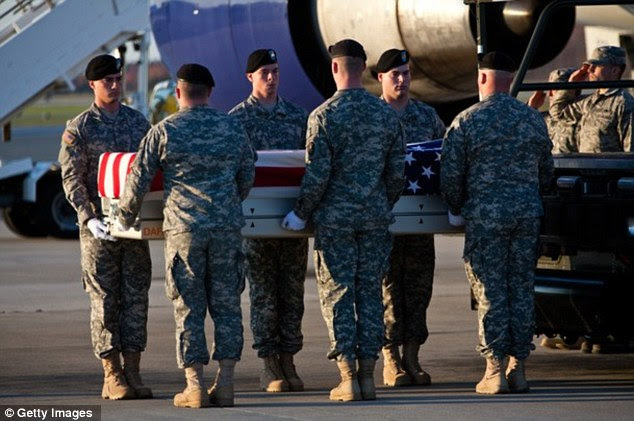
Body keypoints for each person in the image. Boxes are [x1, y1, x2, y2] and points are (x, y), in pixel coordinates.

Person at [117, 63, 255, 408]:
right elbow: (247, 176)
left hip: (184, 231)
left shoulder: (164, 131)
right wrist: (226, 204)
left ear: (178, 92)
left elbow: (137, 179)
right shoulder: (232, 127)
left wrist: (123, 219)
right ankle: (226, 383)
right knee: (227, 307)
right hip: (226, 229)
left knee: (188, 309)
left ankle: (195, 386)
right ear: (210, 92)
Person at [281, 39, 406, 402]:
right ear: (364, 68)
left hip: (335, 221)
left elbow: (317, 175)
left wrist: (301, 212)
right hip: (374, 219)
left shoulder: (323, 116)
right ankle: (368, 375)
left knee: (338, 295)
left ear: (334, 67)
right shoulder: (386, 115)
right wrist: (378, 203)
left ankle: (348, 377)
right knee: (370, 294)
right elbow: (397, 174)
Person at [440, 51, 554, 394]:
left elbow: (450, 177)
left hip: (486, 218)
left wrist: (458, 206)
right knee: (520, 288)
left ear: (481, 78)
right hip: (526, 216)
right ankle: (519, 367)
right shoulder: (532, 119)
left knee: (490, 290)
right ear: (511, 78)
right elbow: (547, 174)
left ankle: (494, 370)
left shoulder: (467, 120)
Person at [58, 54, 153, 400]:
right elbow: (72, 179)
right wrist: (88, 217)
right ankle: (111, 373)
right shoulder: (80, 128)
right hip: (99, 230)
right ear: (92, 85)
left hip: (133, 227)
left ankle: (133, 370)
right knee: (105, 300)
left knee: (136, 298)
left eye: (117, 79)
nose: (114, 85)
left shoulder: (137, 123)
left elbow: (150, 170)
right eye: (107, 81)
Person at [229, 49, 309, 393]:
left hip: (292, 222)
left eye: (275, 71)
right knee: (263, 295)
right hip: (255, 227)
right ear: (250, 77)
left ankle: (289, 359)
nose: (272, 78)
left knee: (292, 293)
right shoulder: (237, 121)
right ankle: (269, 364)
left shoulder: (297, 117)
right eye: (265, 73)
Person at [374, 48, 445, 387]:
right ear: (380, 78)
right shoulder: (373, 117)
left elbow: (443, 156)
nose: (401, 80)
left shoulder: (426, 116)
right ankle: (391, 359)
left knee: (418, 287)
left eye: (405, 74)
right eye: (394, 75)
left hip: (419, 220)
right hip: (384, 221)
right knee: (388, 289)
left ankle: (413, 356)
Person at [549, 45, 633, 152]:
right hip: (586, 162)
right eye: (589, 66)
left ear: (614, 70)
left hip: (609, 163)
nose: (590, 70)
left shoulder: (624, 103)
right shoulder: (588, 102)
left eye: (596, 66)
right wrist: (571, 85)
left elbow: (630, 149)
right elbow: (557, 113)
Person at [528, 67, 582, 154]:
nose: (549, 94)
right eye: (549, 89)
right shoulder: (542, 119)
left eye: (556, 90)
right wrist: (531, 109)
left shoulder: (579, 117)